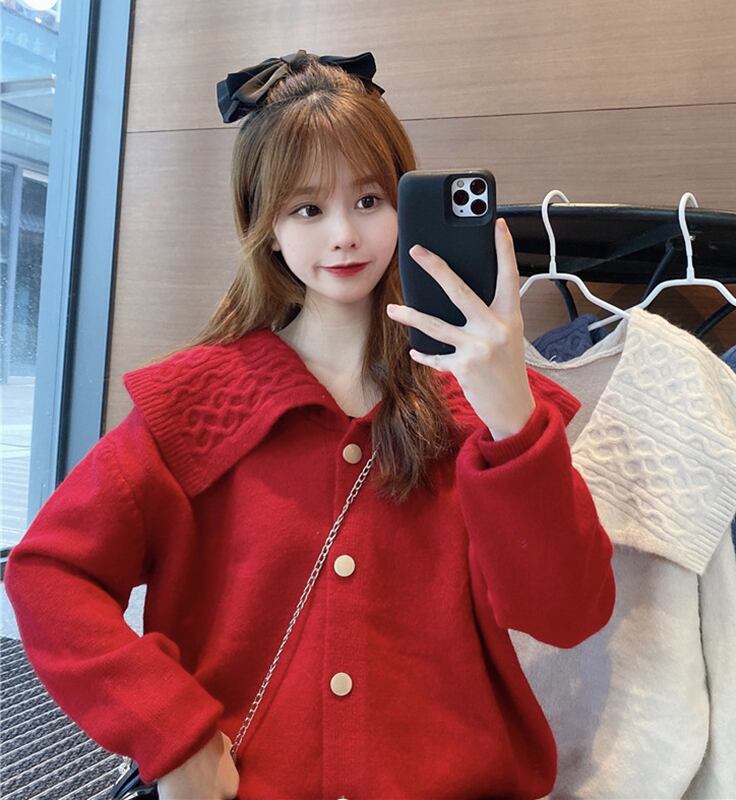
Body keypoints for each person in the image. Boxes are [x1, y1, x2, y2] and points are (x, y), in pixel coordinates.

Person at [4, 49, 616, 799]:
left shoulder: (477, 404)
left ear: (403, 204)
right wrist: (170, 734)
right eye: (307, 209)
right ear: (266, 226)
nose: (344, 235)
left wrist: (512, 415)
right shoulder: (193, 406)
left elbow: (568, 613)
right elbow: (49, 573)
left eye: (369, 199)